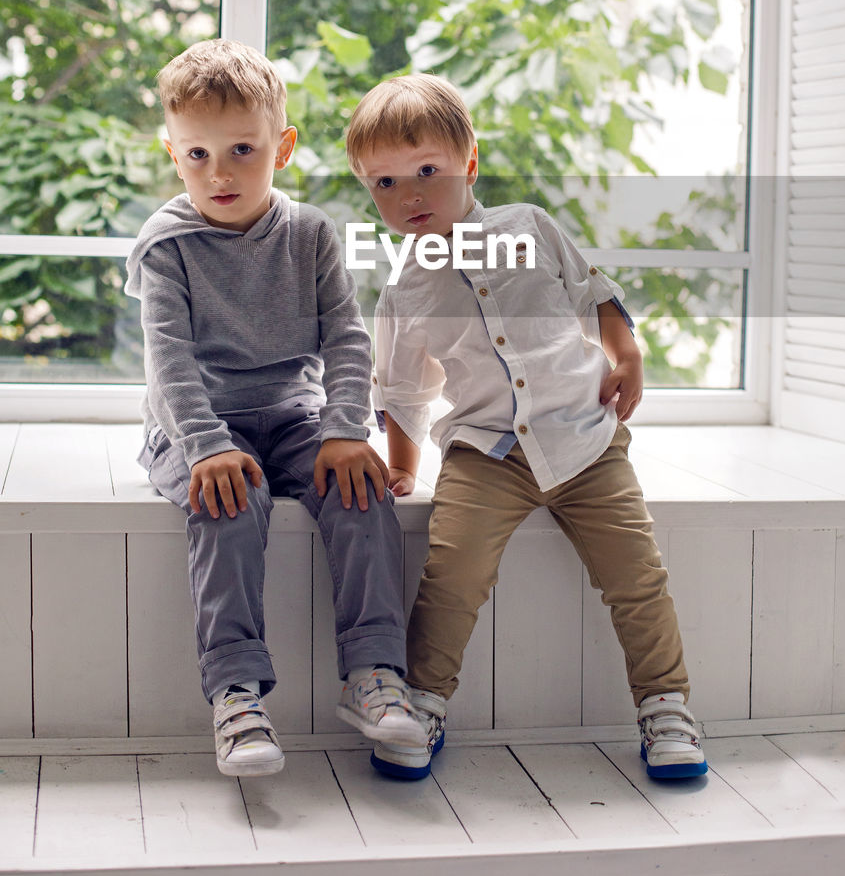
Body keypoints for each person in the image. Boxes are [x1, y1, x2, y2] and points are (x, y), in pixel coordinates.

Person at [345, 72, 707, 782]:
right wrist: (401, 465)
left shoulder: (528, 228)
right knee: (451, 577)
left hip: (584, 439)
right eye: (383, 184)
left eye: (426, 172)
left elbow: (592, 291)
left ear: (469, 163)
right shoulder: (403, 290)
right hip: (486, 453)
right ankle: (421, 704)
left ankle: (665, 704)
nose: (408, 195)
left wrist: (626, 354)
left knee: (637, 577)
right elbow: (402, 389)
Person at [125, 40, 426, 778]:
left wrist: (344, 431)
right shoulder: (167, 246)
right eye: (195, 155)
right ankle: (235, 696)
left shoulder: (309, 234)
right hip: (195, 426)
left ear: (282, 147)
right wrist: (205, 445)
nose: (218, 172)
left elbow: (347, 340)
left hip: (293, 416)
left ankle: (374, 675)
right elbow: (169, 363)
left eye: (241, 150)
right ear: (172, 154)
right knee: (231, 497)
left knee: (358, 493)